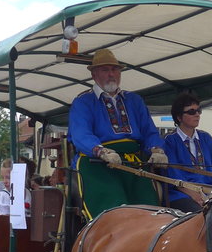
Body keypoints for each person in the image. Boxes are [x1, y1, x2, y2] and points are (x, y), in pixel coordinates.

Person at [68, 48, 167, 218]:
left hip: (134, 162)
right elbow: (80, 134)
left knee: (149, 209)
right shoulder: (83, 102)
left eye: (115, 69)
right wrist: (101, 151)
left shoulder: (134, 100)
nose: (111, 74)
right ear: (94, 74)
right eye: (105, 70)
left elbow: (149, 131)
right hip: (97, 164)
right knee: (115, 209)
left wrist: (157, 149)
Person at [162, 92, 212, 212]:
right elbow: (174, 177)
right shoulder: (169, 141)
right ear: (179, 117)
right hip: (181, 195)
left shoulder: (206, 137)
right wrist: (195, 195)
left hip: (210, 192)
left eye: (198, 110)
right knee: (203, 216)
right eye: (191, 112)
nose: (197, 114)